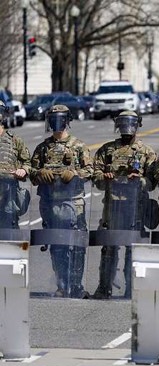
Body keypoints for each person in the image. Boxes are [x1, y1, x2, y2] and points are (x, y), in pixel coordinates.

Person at [91, 110, 157, 299]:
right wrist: (105, 177)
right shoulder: (107, 150)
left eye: (130, 124)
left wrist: (139, 180)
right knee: (109, 247)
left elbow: (152, 182)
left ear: (137, 125)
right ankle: (104, 288)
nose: (126, 129)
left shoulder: (146, 152)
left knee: (132, 248)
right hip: (112, 207)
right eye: (122, 124)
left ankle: (131, 289)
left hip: (135, 207)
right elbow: (95, 175)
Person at [30, 104, 93, 298]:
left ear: (67, 121)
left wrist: (74, 173)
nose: (57, 123)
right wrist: (41, 173)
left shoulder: (79, 146)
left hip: (73, 202)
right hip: (50, 203)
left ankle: (76, 285)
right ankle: (62, 285)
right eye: (53, 119)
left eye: (60, 119)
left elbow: (91, 171)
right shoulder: (43, 148)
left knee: (76, 245)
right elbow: (31, 173)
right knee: (56, 245)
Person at [0, 100, 31, 230]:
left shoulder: (14, 140)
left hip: (8, 196)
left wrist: (23, 170)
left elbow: (28, 162)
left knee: (10, 236)